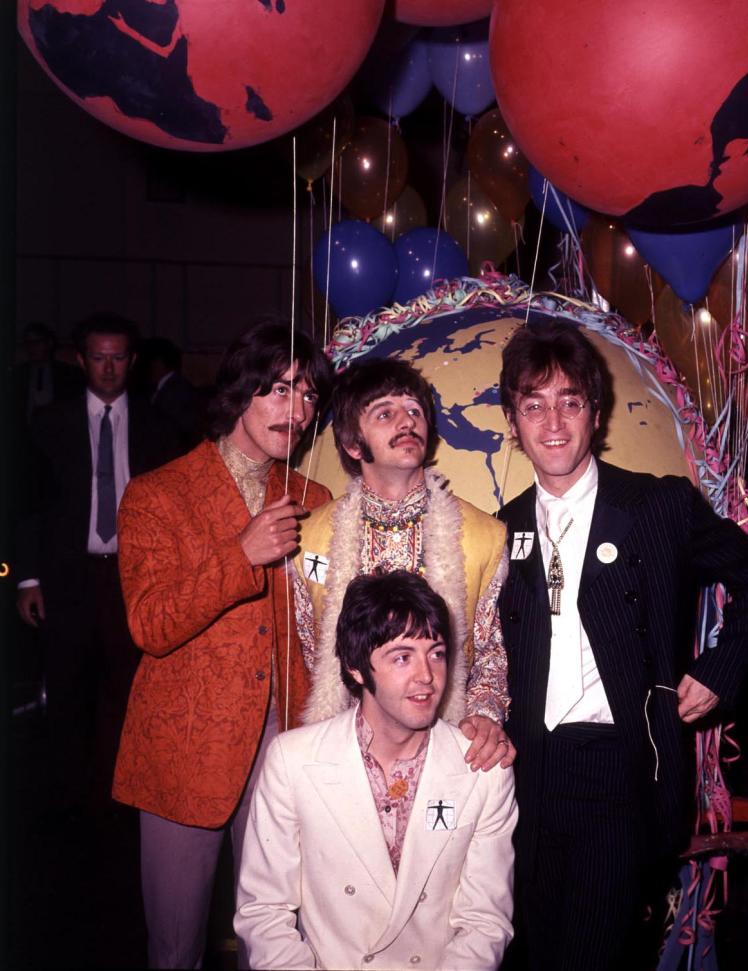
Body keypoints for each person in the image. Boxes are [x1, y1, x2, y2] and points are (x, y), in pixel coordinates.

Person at [495, 319, 748, 971]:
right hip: (528, 778)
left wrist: (718, 669)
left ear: (595, 412)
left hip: (620, 770)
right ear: (513, 420)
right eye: (533, 405)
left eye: (570, 401)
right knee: (533, 948)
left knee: (594, 953)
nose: (554, 423)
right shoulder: (502, 529)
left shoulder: (656, 506)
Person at [111, 320, 333, 969]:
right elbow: (150, 623)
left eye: (310, 395)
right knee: (177, 947)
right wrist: (240, 554)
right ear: (242, 389)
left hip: (283, 744)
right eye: (282, 389)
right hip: (186, 749)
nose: (298, 410)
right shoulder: (157, 495)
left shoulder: (311, 498)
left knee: (275, 941)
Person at [235, 569, 517, 971]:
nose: (426, 676)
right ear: (355, 667)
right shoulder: (293, 761)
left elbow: (484, 923)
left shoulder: (483, 771)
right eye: (402, 656)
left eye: (436, 653)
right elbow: (264, 912)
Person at [294, 357, 514, 772]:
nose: (406, 421)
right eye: (385, 413)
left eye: (414, 411)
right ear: (353, 444)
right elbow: (310, 655)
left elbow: (491, 652)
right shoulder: (309, 541)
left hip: (449, 751)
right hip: (341, 756)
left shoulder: (483, 535)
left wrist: (484, 718)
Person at [15, 312, 177, 815]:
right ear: (81, 359)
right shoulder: (49, 425)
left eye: (119, 358)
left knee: (125, 687)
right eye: (99, 358)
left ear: (133, 361)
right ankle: (68, 798)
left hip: (134, 580)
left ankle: (120, 795)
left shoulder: (159, 426)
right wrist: (28, 578)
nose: (109, 369)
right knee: (65, 687)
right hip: (68, 576)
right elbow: (28, 504)